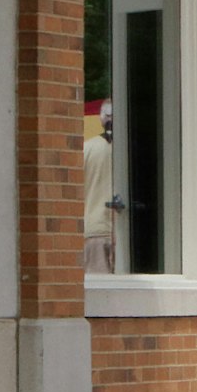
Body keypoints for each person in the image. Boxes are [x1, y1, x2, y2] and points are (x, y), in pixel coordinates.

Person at [81, 99, 119, 275]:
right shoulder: (131, 149)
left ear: (101, 118)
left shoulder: (86, 149)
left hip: (94, 229)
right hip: (124, 231)